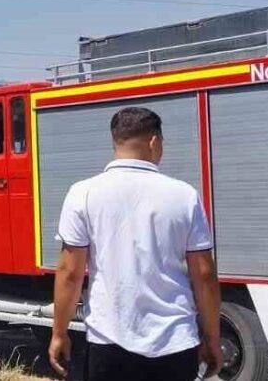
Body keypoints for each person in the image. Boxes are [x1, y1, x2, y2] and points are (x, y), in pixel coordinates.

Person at [49, 106, 222, 381]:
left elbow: (69, 273)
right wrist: (212, 338)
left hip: (109, 342)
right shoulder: (185, 196)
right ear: (154, 142)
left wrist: (59, 333)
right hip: (175, 343)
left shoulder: (83, 193)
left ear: (115, 141)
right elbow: (204, 274)